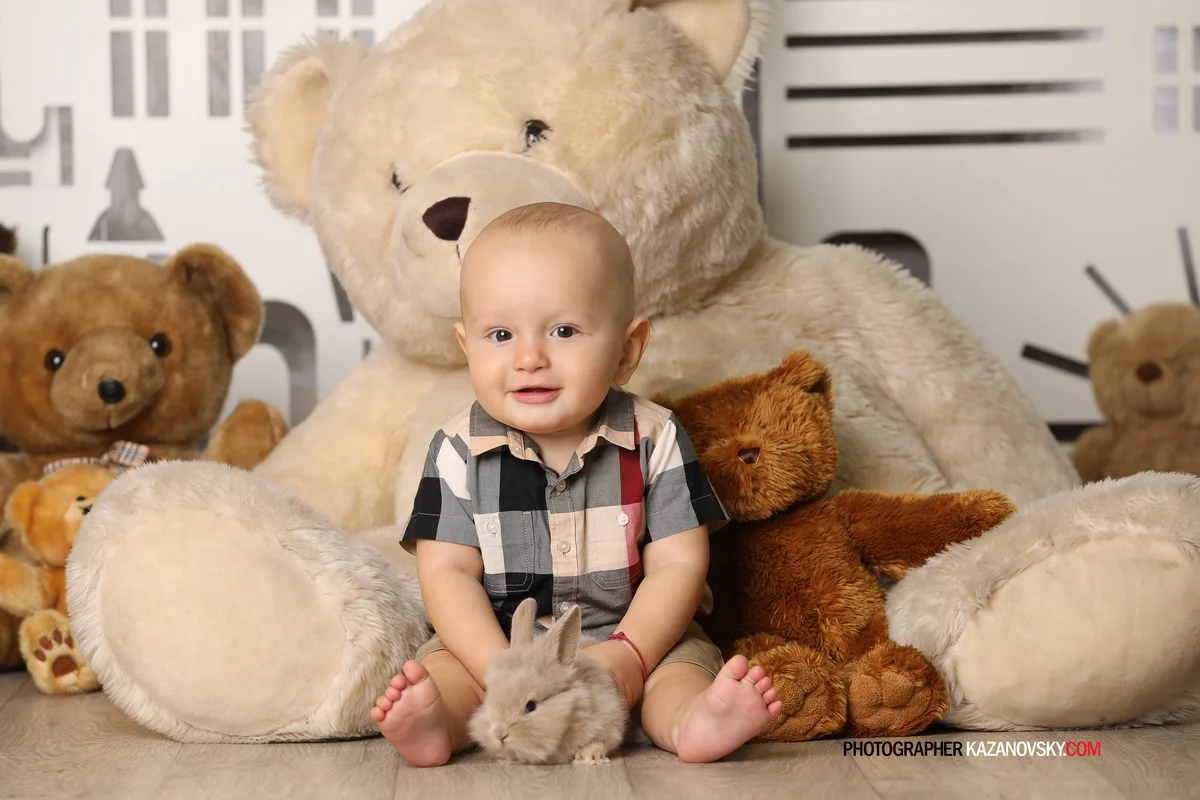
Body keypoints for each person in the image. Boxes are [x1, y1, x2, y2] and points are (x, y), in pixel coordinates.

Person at [372, 202, 781, 766]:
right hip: (498, 646)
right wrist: (500, 669)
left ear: (627, 351)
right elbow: (446, 572)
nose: (529, 357)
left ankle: (694, 721)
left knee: (680, 670)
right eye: (500, 333)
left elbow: (679, 565)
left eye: (563, 330)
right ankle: (437, 725)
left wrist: (632, 657)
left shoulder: (653, 437)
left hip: (631, 635)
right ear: (466, 347)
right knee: (448, 671)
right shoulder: (457, 450)